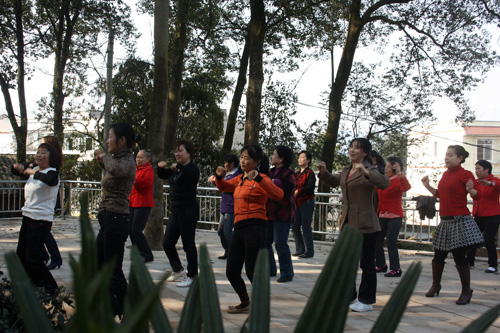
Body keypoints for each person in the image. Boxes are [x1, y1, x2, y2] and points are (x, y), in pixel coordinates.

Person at [317, 138, 390, 312]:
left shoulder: (370, 169)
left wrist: (365, 171)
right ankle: (348, 297)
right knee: (346, 263)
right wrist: (324, 172)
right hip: (347, 223)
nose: (352, 150)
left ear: (365, 153)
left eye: (356, 148)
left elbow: (384, 183)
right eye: (350, 147)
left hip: (366, 224)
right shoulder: (346, 170)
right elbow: (334, 181)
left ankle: (366, 300)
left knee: (366, 264)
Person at [214, 144, 283, 313]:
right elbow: (223, 187)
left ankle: (261, 304)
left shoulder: (263, 179)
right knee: (231, 271)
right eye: (242, 157)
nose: (243, 161)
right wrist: (219, 177)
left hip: (256, 228)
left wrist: (258, 178)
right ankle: (245, 302)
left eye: (247, 158)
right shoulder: (239, 179)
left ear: (257, 161)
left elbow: (279, 195)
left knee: (252, 270)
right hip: (239, 228)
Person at [421, 145, 483, 305]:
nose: (446, 158)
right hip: (445, 220)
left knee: (458, 256)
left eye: (450, 155)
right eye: (446, 155)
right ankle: (436, 285)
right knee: (438, 255)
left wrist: (471, 190)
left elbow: (478, 195)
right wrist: (427, 186)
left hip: (460, 220)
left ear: (460, 158)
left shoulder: (466, 174)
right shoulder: (446, 174)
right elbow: (441, 195)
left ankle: (466, 291)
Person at [94, 123, 137, 317]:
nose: (107, 141)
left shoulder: (128, 161)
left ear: (122, 141)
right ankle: (112, 306)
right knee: (97, 265)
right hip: (109, 220)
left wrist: (103, 156)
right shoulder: (120, 159)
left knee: (113, 271)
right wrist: (102, 160)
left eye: (110, 136)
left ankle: (129, 311)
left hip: (116, 219)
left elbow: (117, 170)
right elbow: (112, 169)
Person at [12, 143, 62, 294]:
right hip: (27, 217)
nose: (39, 155)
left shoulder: (52, 173)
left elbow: (50, 180)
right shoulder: (34, 169)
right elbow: (15, 170)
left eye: (43, 153)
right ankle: (31, 285)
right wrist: (22, 166)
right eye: (38, 152)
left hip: (40, 220)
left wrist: (32, 172)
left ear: (51, 157)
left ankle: (51, 288)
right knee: (22, 254)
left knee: (33, 258)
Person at [157, 140, 200, 288]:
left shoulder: (192, 169)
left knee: (188, 244)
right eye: (176, 151)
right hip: (175, 211)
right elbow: (163, 174)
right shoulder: (175, 170)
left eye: (180, 150)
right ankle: (178, 270)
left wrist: (180, 166)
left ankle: (192, 275)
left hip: (188, 210)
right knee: (167, 242)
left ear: (189, 153)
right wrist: (160, 167)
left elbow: (191, 175)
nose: (177, 153)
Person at [375, 156, 411, 277]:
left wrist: (400, 174)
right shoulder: (384, 180)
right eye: (386, 166)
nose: (387, 169)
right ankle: (381, 264)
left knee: (391, 241)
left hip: (394, 215)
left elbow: (406, 187)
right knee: (377, 240)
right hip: (382, 214)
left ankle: (396, 268)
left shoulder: (398, 179)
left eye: (390, 167)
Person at [267, 145, 296, 282]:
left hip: (283, 214)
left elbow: (289, 187)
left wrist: (272, 182)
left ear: (282, 158)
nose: (272, 157)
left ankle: (287, 272)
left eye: (274, 154)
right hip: (269, 212)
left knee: (280, 243)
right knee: (266, 242)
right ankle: (270, 268)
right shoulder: (270, 172)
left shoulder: (289, 173)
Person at [465, 160, 500, 273]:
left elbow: (497, 185)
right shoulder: (476, 182)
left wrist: (489, 184)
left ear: (487, 170)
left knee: (488, 240)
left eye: (479, 169)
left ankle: (493, 265)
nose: (477, 171)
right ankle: (469, 262)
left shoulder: (494, 180)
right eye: (476, 169)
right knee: (472, 238)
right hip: (479, 214)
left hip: (492, 215)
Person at [208, 154, 241, 260]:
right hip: (225, 206)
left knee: (227, 232)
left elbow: (227, 186)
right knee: (220, 232)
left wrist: (216, 180)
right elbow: (222, 187)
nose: (224, 165)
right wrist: (216, 181)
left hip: (231, 207)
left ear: (232, 164)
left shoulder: (237, 175)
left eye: (226, 162)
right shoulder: (228, 175)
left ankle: (235, 253)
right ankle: (228, 250)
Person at [129, 149, 155, 263]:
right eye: (137, 157)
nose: (138, 159)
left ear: (147, 159)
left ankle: (147, 254)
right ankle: (137, 253)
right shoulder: (136, 169)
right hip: (132, 202)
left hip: (143, 203)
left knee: (136, 230)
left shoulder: (148, 170)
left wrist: (133, 179)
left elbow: (145, 183)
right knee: (130, 229)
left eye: (141, 157)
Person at [293, 150, 316, 258]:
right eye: (299, 157)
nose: (300, 159)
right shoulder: (297, 173)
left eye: (303, 157)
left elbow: (311, 187)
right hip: (297, 203)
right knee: (295, 226)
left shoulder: (310, 173)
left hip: (306, 201)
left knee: (306, 227)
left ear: (308, 160)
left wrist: (300, 191)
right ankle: (300, 249)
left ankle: (309, 251)